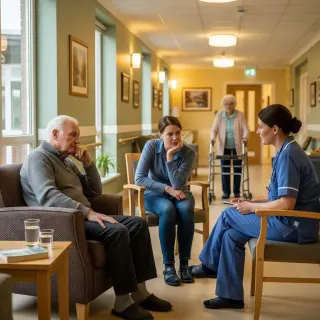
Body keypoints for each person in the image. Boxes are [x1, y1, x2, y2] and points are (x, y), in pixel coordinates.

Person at [20, 115, 172, 320]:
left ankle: (140, 292)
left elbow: (94, 190)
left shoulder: (66, 161)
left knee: (137, 224)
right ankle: (122, 301)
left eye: (78, 136)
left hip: (82, 215)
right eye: (73, 135)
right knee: (117, 231)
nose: (78, 141)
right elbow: (47, 196)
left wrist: (89, 164)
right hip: (63, 221)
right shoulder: (38, 158)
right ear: (55, 134)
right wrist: (87, 212)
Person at [190, 104, 320, 310]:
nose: (257, 131)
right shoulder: (285, 150)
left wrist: (250, 208)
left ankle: (208, 265)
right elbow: (276, 198)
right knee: (230, 235)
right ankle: (230, 296)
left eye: (261, 127)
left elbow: (286, 204)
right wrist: (250, 202)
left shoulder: (289, 155)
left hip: (295, 226)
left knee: (227, 215)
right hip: (286, 219)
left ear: (275, 129)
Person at [135, 116, 196, 287]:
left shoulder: (189, 152)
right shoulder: (151, 146)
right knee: (167, 209)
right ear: (160, 134)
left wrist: (170, 157)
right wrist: (167, 189)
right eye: (170, 134)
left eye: (178, 133)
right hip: (155, 194)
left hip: (181, 192)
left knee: (185, 209)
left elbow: (178, 183)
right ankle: (169, 266)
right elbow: (139, 179)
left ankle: (184, 265)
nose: (175, 138)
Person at [210, 94, 249, 199]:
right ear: (223, 105)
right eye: (226, 104)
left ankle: (236, 192)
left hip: (237, 147)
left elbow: (246, 129)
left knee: (237, 170)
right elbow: (214, 129)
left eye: (231, 103)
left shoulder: (240, 115)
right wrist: (213, 138)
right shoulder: (219, 115)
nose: (228, 106)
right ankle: (226, 192)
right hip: (224, 147)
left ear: (234, 104)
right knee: (225, 170)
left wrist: (244, 138)